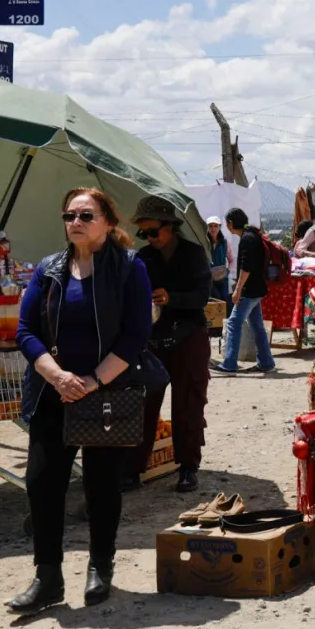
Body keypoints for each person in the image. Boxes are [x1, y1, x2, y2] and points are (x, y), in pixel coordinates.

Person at [10, 187, 152, 613]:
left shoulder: (128, 267)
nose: (75, 222)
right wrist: (56, 376)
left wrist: (92, 380)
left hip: (105, 393)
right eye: (69, 215)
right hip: (52, 393)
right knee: (42, 483)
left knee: (102, 484)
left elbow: (136, 335)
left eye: (86, 215)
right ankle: (47, 578)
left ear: (108, 222)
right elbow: (25, 330)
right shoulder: (49, 269)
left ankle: (100, 567)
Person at [122, 196, 212, 494]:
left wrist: (172, 298)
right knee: (143, 404)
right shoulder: (142, 258)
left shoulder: (193, 254)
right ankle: (133, 469)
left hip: (189, 337)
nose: (149, 238)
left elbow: (202, 296)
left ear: (170, 226)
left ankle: (188, 467)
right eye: (144, 233)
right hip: (152, 339)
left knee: (188, 404)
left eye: (153, 231)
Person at [212, 207, 276, 374]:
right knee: (257, 326)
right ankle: (266, 362)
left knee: (233, 323)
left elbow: (246, 268)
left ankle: (229, 364)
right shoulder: (253, 235)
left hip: (249, 290)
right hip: (257, 289)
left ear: (230, 223)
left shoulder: (247, 239)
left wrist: (238, 290)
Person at [206, 216, 233, 305]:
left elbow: (231, 260)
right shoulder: (204, 243)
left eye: (215, 226)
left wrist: (227, 271)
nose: (213, 228)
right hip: (209, 279)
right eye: (210, 226)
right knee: (214, 301)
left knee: (225, 301)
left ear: (219, 227)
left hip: (223, 279)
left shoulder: (224, 242)